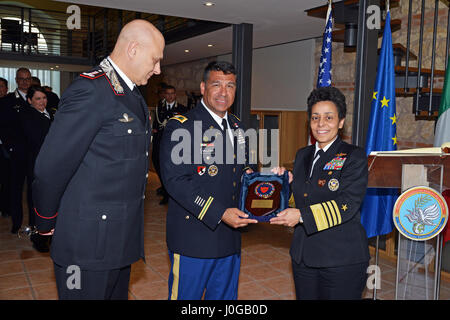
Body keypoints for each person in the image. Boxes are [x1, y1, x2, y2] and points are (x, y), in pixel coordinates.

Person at [32, 19, 165, 300]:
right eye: (155, 60)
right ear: (132, 49)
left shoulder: (130, 94)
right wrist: (45, 223)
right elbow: (51, 168)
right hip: (85, 244)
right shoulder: (90, 90)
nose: (158, 69)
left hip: (118, 239)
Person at [160, 61, 258, 300]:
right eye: (217, 85)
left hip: (229, 238)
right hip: (194, 237)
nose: (224, 92)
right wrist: (220, 212)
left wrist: (269, 182)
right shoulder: (181, 127)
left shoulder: (238, 127)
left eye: (230, 86)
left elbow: (246, 169)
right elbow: (176, 181)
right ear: (203, 87)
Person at [270, 86, 370, 300]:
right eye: (315, 117)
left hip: (341, 258)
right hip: (303, 255)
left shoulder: (354, 156)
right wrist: (283, 185)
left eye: (328, 117)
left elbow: (348, 204)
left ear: (341, 122)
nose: (321, 124)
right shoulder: (302, 155)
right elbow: (301, 197)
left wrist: (301, 216)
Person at [19, 86, 53, 252]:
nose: (42, 102)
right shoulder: (28, 116)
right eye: (38, 99)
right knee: (36, 201)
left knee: (48, 201)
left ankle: (47, 233)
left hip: (49, 164)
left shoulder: (48, 113)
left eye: (44, 98)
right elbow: (37, 141)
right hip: (36, 164)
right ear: (29, 100)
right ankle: (37, 237)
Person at [0, 68, 32, 233]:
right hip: (17, 153)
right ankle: (16, 223)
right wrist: (10, 148)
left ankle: (35, 224)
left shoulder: (38, 98)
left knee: (34, 191)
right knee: (16, 189)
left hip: (35, 154)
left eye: (27, 78)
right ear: (16, 80)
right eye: (22, 79)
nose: (25, 82)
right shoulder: (7, 101)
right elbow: (3, 128)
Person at [152, 84, 187, 205]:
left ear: (175, 95)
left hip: (174, 145)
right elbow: (156, 125)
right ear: (164, 95)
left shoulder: (182, 109)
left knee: (170, 168)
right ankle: (163, 186)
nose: (170, 96)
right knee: (157, 163)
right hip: (159, 142)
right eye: (168, 93)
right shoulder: (159, 108)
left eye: (172, 93)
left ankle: (168, 193)